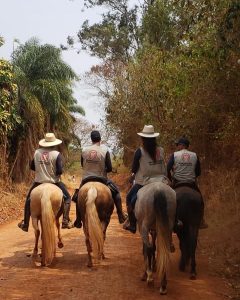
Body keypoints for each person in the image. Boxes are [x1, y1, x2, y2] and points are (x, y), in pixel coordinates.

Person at [18, 133, 74, 232]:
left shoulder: (37, 152)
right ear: (54, 143)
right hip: (54, 182)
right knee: (68, 198)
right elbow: (60, 171)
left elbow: (32, 167)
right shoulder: (57, 154)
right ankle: (65, 221)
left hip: (39, 182)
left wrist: (42, 169)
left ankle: (25, 224)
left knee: (28, 200)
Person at [73, 130, 127, 228]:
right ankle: (120, 214)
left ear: (91, 139)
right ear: (100, 139)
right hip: (102, 179)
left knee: (78, 196)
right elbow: (109, 168)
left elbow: (82, 165)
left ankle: (78, 219)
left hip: (86, 179)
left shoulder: (84, 150)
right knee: (116, 193)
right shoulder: (105, 150)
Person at [124, 125, 167, 234]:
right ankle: (175, 221)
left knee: (129, 198)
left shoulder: (140, 151)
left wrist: (132, 176)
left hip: (144, 183)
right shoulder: (161, 150)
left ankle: (133, 224)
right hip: (161, 181)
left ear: (143, 138)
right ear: (154, 138)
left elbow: (134, 168)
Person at [167, 137, 208, 229]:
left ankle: (171, 220)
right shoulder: (194, 155)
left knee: (169, 200)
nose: (177, 147)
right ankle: (201, 220)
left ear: (182, 145)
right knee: (200, 199)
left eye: (178, 145)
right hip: (191, 182)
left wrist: (171, 178)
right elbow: (198, 172)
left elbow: (167, 169)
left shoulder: (175, 155)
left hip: (177, 182)